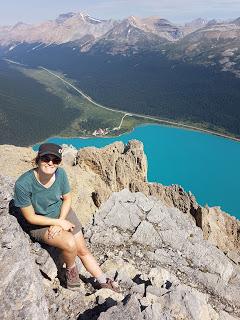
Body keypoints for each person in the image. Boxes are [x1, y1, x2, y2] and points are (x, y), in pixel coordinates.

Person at [14, 142, 118, 291]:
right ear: (38, 159)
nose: (50, 163)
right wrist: (57, 222)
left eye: (55, 160)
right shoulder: (23, 184)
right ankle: (70, 272)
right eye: (46, 158)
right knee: (70, 244)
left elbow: (67, 199)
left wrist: (60, 221)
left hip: (63, 214)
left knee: (82, 250)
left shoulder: (60, 174)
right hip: (40, 224)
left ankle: (103, 280)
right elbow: (30, 217)